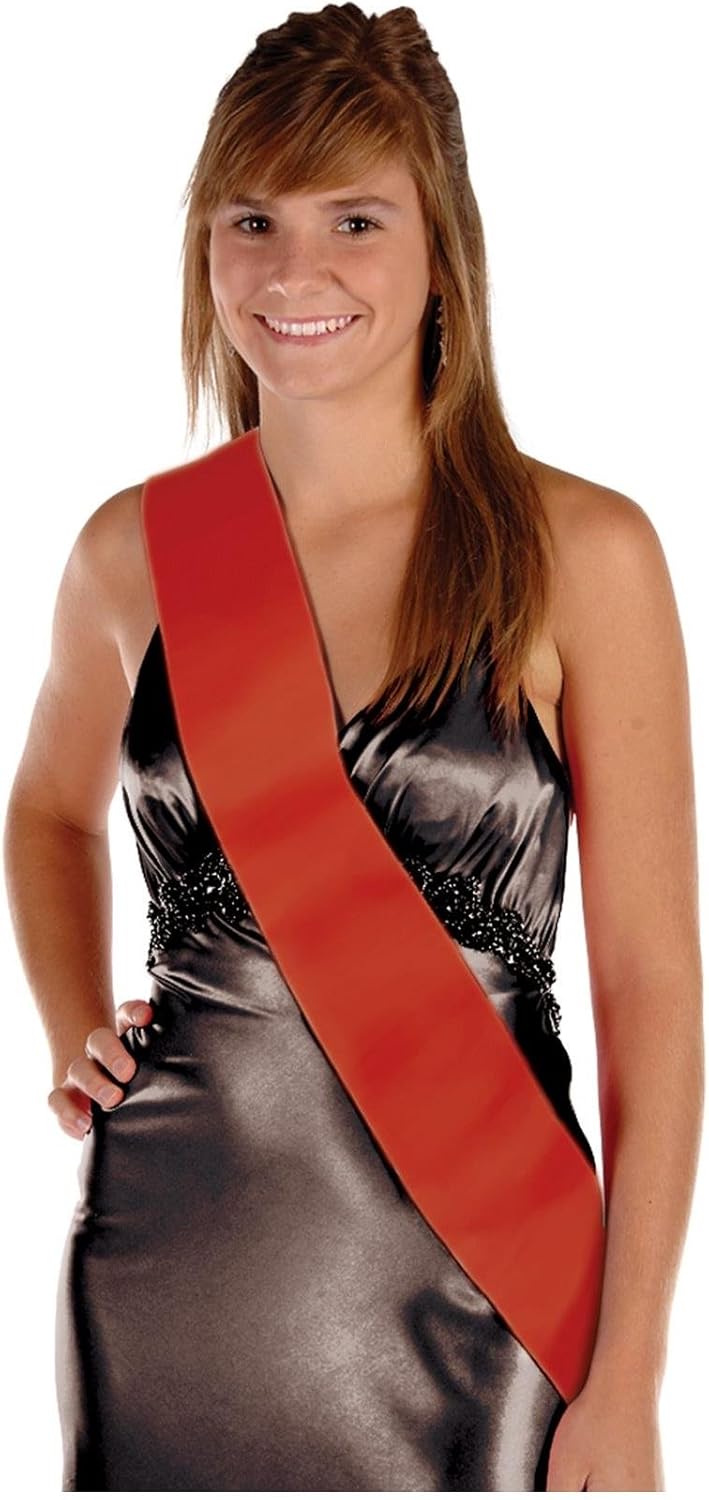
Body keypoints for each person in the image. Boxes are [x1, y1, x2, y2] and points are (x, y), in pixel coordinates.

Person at [3, 3, 702, 1492]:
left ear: (443, 251)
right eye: (250, 219)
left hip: (486, 1275)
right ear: (204, 246)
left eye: (356, 221)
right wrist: (70, 1023)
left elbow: (651, 991)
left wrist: (634, 1369)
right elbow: (46, 813)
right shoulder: (132, 551)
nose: (292, 271)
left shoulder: (582, 552)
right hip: (168, 1266)